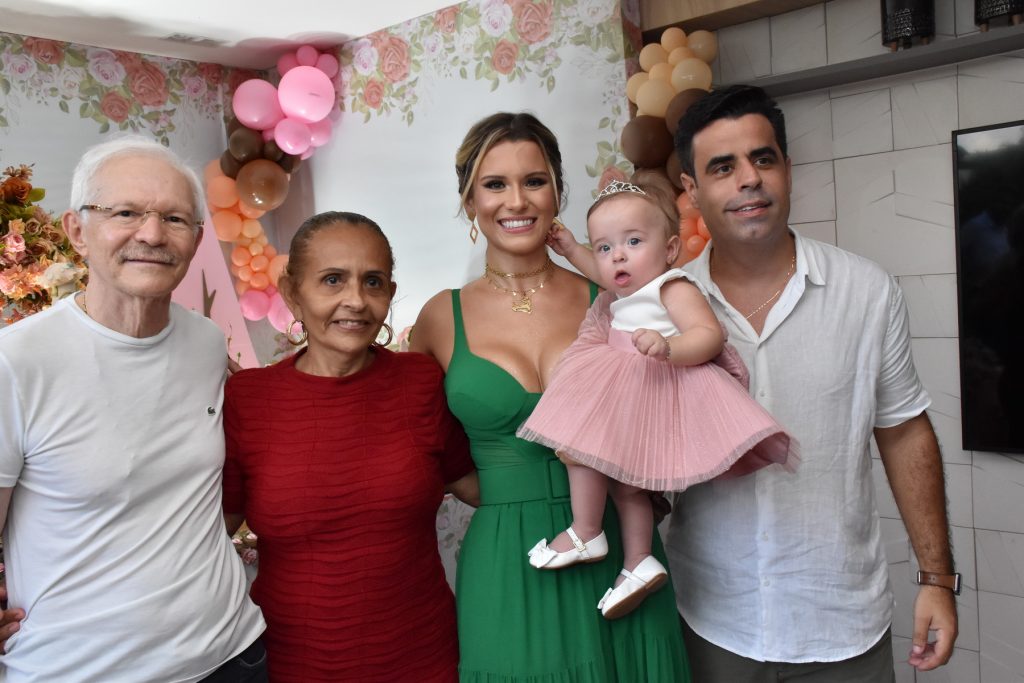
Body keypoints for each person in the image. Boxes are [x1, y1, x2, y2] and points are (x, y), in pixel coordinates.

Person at [667, 84, 958, 680]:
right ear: (691, 192)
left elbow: (904, 433)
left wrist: (936, 578)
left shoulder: (866, 291)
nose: (749, 178)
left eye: (763, 158)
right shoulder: (663, 313)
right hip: (708, 622)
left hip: (840, 624)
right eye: (723, 167)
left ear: (788, 170)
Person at [411, 112, 690, 681]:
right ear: (469, 201)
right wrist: (499, 490)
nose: (517, 200)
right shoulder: (442, 318)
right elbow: (418, 441)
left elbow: (675, 403)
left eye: (534, 181)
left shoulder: (614, 298)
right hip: (507, 557)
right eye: (494, 184)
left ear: (558, 191)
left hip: (620, 549)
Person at [0, 136, 266, 681]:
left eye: (173, 219)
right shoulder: (16, 362)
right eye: (125, 213)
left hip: (231, 654)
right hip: (77, 670)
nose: (151, 234)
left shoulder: (208, 343)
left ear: (195, 241)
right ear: (78, 230)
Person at [517, 180, 797, 619]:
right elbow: (598, 272)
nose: (618, 257)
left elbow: (708, 335)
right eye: (605, 247)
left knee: (603, 466)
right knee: (610, 471)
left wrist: (670, 348)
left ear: (669, 249)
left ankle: (596, 536)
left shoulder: (672, 286)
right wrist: (571, 249)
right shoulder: (623, 289)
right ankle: (634, 560)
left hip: (654, 383)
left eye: (632, 241)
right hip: (622, 380)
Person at [222, 211, 478, 683]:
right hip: (290, 664)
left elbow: (481, 487)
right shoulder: (249, 399)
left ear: (390, 295)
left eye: (374, 282)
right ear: (293, 292)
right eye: (333, 280)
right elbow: (210, 530)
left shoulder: (419, 382)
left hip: (423, 659)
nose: (356, 301)